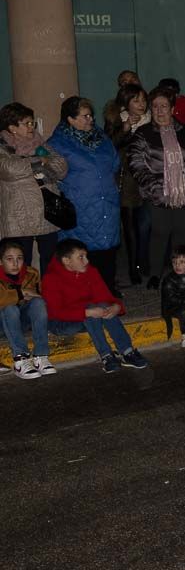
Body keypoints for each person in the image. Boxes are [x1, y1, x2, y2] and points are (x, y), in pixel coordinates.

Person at [129, 87, 185, 290]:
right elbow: (136, 162)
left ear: (172, 108)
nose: (159, 110)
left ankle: (181, 273)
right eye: (155, 106)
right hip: (157, 193)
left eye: (164, 106)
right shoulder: (143, 133)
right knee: (160, 232)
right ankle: (155, 274)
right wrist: (153, 186)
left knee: (182, 233)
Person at [48, 97, 122, 296]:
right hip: (80, 205)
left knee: (108, 250)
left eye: (91, 115)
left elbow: (115, 163)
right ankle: (85, 293)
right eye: (85, 116)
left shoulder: (102, 138)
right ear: (70, 119)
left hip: (107, 203)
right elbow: (52, 173)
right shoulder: (57, 143)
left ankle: (107, 290)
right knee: (84, 251)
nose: (90, 120)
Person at [42, 238, 149, 373]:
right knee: (91, 310)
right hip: (62, 323)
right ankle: (105, 355)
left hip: (87, 317)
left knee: (103, 306)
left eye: (86, 256)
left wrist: (116, 307)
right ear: (66, 261)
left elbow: (105, 298)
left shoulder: (90, 271)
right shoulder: (51, 278)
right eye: (81, 257)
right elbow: (56, 312)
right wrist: (87, 313)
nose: (86, 261)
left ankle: (127, 351)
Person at [0, 102, 70, 274]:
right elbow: (9, 169)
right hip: (19, 215)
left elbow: (61, 166)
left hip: (46, 211)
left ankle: (49, 293)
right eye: (27, 123)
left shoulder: (39, 143)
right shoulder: (3, 146)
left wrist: (33, 164)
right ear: (12, 127)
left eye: (33, 123)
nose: (32, 127)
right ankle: (25, 297)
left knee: (50, 258)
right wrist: (39, 162)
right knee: (22, 262)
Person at [105, 83, 152, 284]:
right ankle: (133, 266)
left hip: (150, 178)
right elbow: (110, 146)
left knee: (147, 223)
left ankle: (144, 260)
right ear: (126, 103)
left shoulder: (152, 119)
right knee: (131, 226)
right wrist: (126, 129)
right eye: (136, 100)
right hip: (128, 180)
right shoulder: (117, 121)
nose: (141, 104)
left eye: (143, 100)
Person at [0, 239, 56, 379]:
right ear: (0, 262)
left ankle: (40, 356)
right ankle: (21, 359)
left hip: (22, 322)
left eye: (19, 258)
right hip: (3, 325)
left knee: (38, 303)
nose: (15, 263)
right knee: (9, 308)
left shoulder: (31, 273)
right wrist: (21, 293)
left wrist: (35, 296)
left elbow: (40, 296)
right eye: (9, 259)